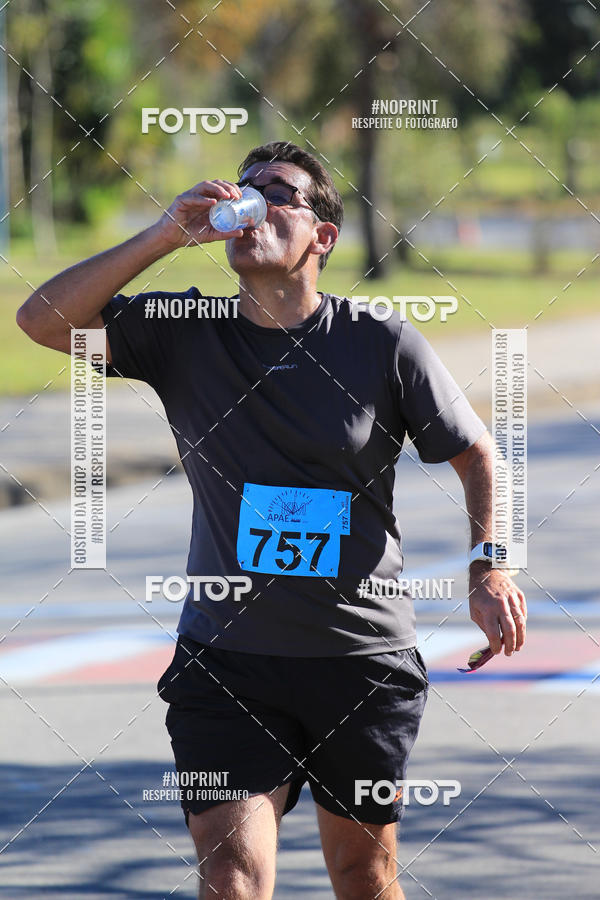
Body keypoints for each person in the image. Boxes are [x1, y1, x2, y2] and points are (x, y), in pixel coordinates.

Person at [17, 141, 527, 899]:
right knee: (230, 873)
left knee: (363, 873)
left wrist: (491, 565)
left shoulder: (381, 342)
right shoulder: (182, 333)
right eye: (245, 187)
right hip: (227, 663)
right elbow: (42, 319)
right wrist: (164, 235)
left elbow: (478, 454)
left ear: (322, 235)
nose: (251, 200)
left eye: (278, 192)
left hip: (360, 661)